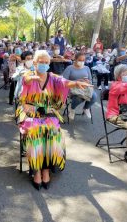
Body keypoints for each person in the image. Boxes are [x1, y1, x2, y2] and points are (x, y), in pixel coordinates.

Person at [16, 50, 92, 190]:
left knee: (53, 132)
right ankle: (37, 170)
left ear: (49, 63)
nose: (43, 64)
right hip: (29, 112)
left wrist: (75, 84)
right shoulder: (28, 75)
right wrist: (31, 79)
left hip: (48, 112)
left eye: (46, 62)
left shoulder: (52, 77)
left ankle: (46, 170)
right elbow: (25, 81)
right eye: (41, 62)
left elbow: (64, 82)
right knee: (35, 132)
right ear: (34, 63)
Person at [63, 52, 97, 119]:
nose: (81, 62)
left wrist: (87, 81)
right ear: (75, 59)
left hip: (85, 88)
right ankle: (72, 109)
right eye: (79, 60)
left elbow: (90, 80)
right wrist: (77, 81)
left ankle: (86, 108)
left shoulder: (86, 68)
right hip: (73, 88)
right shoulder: (69, 68)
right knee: (79, 98)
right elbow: (64, 81)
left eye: (83, 60)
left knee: (94, 96)